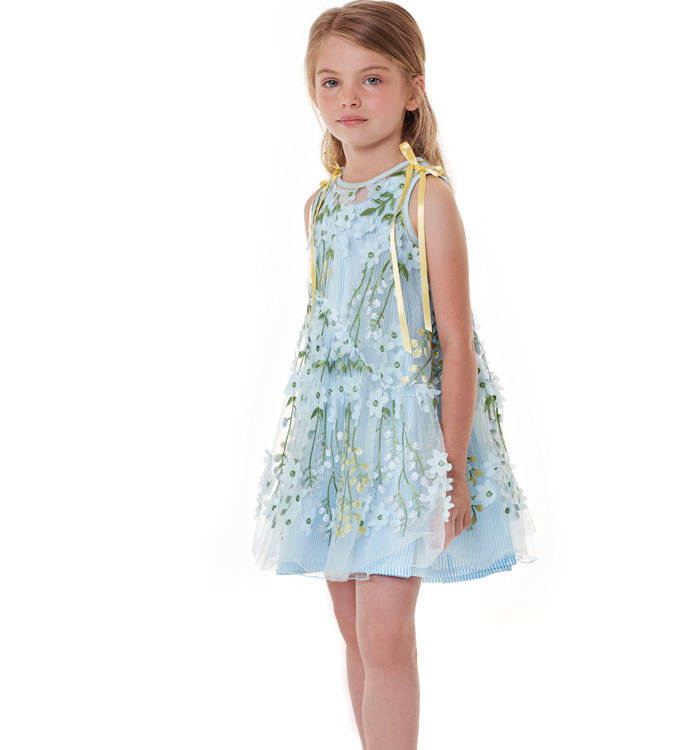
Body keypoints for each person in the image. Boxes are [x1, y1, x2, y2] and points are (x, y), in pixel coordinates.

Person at [252, 2, 537, 748]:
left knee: (383, 631)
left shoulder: (425, 198)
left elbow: (456, 344)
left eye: (372, 79)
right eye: (331, 81)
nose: (349, 98)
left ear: (413, 90)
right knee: (353, 629)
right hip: (338, 449)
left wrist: (452, 471)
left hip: (406, 449)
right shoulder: (319, 207)